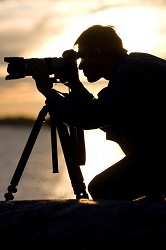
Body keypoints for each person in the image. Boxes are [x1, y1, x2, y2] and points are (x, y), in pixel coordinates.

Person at [28, 24, 166, 201]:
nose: (80, 66)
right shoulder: (135, 65)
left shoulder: (132, 72)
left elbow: (92, 117)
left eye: (83, 56)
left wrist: (48, 93)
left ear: (98, 53)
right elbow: (106, 114)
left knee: (101, 189)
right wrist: (75, 86)